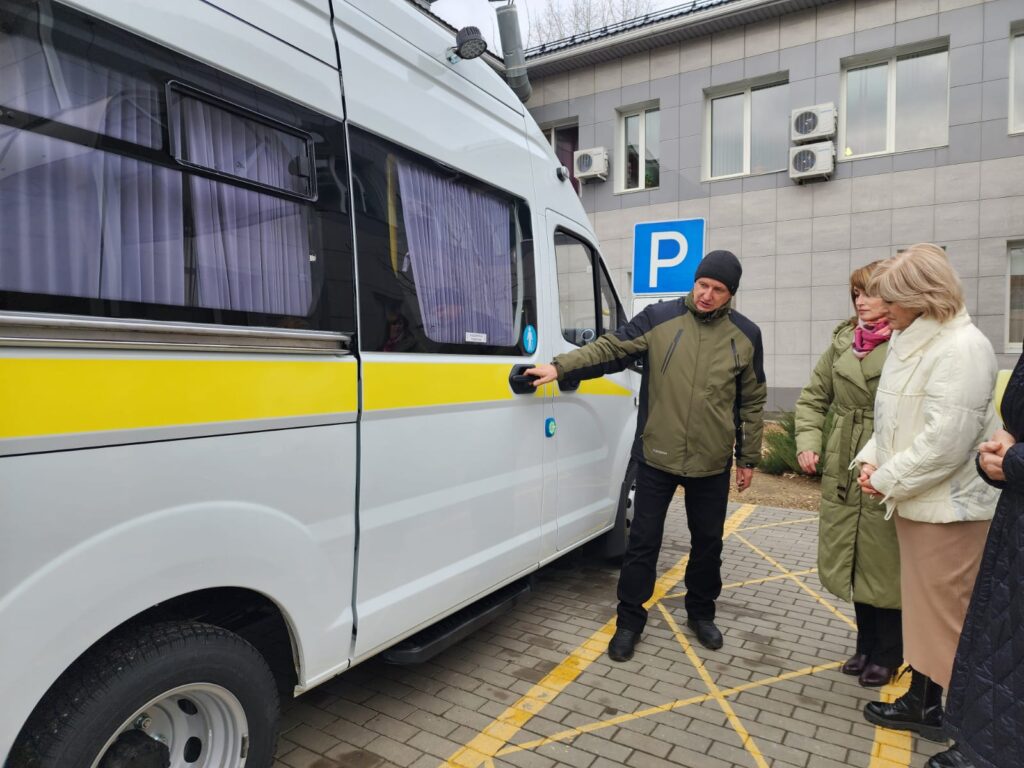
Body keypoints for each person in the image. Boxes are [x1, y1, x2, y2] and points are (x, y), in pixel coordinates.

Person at [525, 250, 766, 659]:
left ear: (731, 294)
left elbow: (752, 400)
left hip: (710, 463)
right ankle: (629, 621)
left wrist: (747, 458)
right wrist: (560, 367)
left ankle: (701, 614)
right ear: (695, 282)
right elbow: (607, 348)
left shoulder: (745, 334)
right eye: (702, 285)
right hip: (656, 455)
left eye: (718, 290)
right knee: (642, 543)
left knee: (708, 544)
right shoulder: (659, 318)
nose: (707, 295)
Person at [853, 244, 999, 743]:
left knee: (947, 620)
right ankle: (925, 702)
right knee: (926, 613)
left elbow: (945, 442)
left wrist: (886, 477)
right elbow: (892, 417)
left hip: (950, 511)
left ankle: (959, 725)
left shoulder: (962, 348)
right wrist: (871, 459)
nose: (883, 310)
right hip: (921, 502)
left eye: (891, 301)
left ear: (922, 296)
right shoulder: (911, 338)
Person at [795, 261, 902, 688]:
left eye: (870, 292)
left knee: (884, 560)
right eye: (856, 292)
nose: (860, 300)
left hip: (884, 462)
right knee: (853, 558)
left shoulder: (907, 345)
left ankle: (888, 653)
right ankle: (864, 646)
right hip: (844, 463)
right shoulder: (843, 342)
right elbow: (812, 397)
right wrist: (808, 441)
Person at [934, 354, 1024, 768]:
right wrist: (1001, 450)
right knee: (1001, 648)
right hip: (1013, 527)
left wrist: (1014, 462)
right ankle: (985, 748)